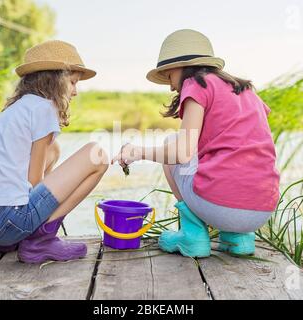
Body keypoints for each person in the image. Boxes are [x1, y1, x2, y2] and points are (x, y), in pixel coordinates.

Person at [112, 29, 280, 257]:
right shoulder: (248, 90)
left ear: (180, 68)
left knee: (174, 145)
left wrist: (137, 151)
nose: (172, 87)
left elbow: (182, 152)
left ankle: (193, 236)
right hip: (263, 210)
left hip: (221, 208)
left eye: (169, 77)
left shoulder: (196, 84)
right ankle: (237, 238)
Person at [0, 40, 109, 264]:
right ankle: (41, 240)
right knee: (97, 154)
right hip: (7, 220)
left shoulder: (18, 108)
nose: (75, 92)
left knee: (54, 149)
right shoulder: (43, 107)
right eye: (72, 82)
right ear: (56, 79)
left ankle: (10, 241)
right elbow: (34, 181)